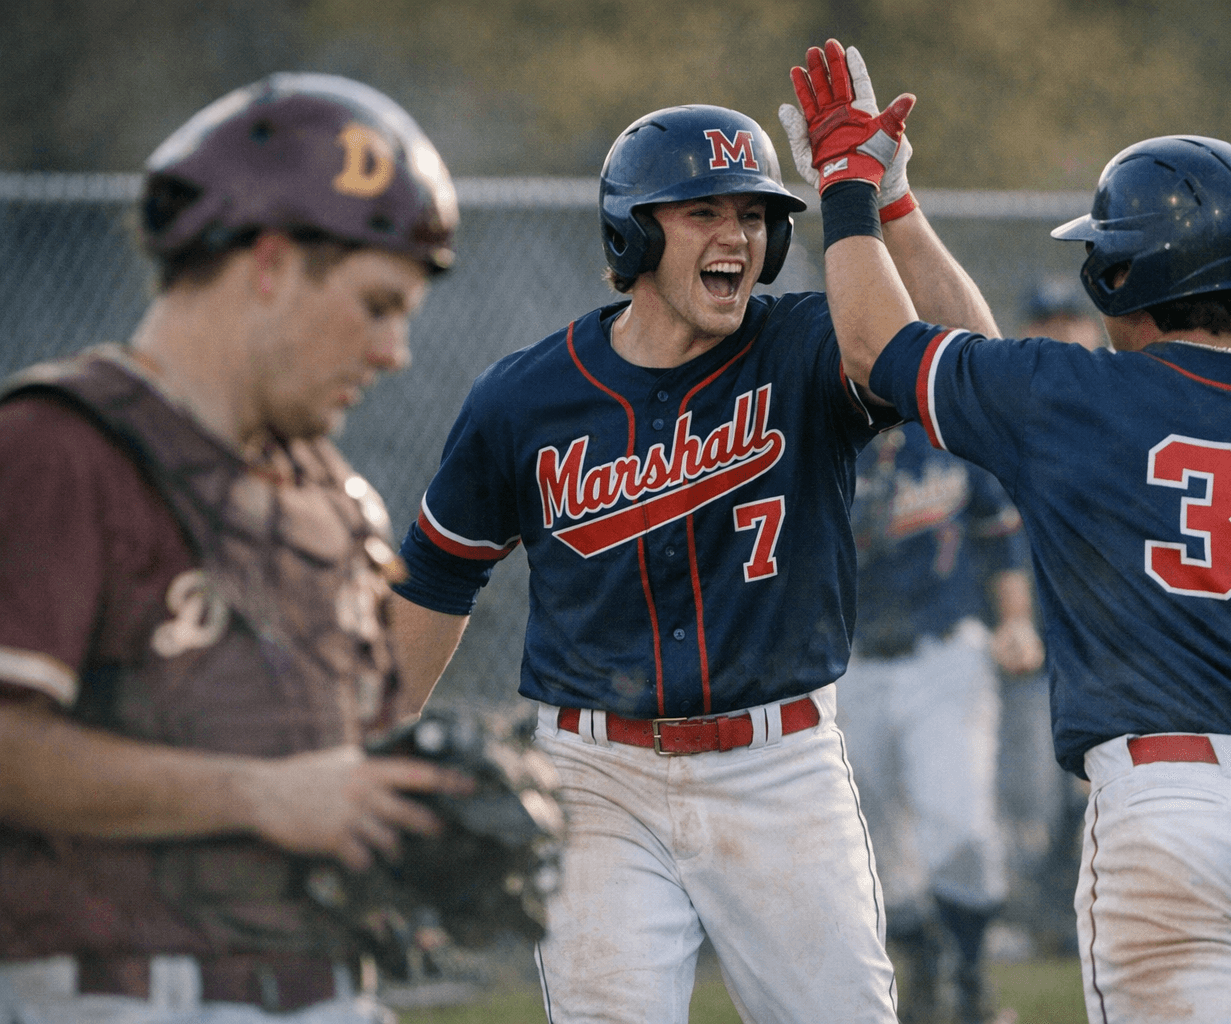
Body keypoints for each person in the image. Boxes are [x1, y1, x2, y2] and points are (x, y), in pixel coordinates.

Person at [794, 40, 1231, 1021]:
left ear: (1124, 269)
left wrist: (849, 189)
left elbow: (883, 346)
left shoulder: (1071, 399)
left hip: (1168, 814)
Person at [387, 62, 996, 1023]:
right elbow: (435, 581)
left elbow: (970, 377)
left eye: (754, 216)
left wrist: (889, 201)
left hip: (779, 766)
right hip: (595, 781)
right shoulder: (523, 398)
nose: (737, 238)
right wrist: (373, 766)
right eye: (702, 212)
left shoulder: (803, 346)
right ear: (632, 233)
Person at [0, 74, 473, 1023]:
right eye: (377, 304)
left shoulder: (336, 501)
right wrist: (259, 796)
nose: (394, 352)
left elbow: (329, 777)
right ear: (268, 263)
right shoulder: (60, 447)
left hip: (329, 989)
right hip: (122, 991)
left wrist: (432, 807)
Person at [837, 417, 1039, 1024]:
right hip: (849, 662)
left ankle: (971, 974)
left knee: (960, 823)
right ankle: (923, 970)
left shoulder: (948, 429)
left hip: (945, 654)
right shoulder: (823, 431)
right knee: (871, 838)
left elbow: (999, 532)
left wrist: (1016, 619)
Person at [994, 275, 1103, 959]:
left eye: (1071, 320)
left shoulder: (1120, 414)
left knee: (1094, 797)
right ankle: (1024, 917)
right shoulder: (1000, 417)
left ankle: (1081, 913)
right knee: (1029, 797)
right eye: (1046, 320)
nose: (1060, 332)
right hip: (1031, 647)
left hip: (1100, 648)